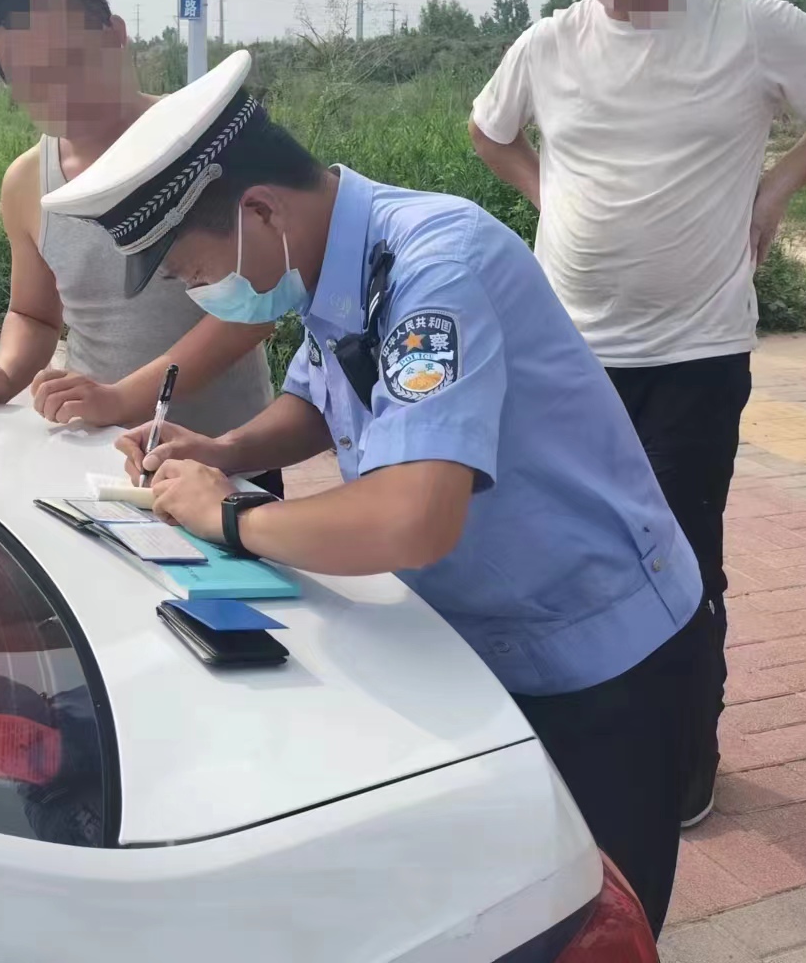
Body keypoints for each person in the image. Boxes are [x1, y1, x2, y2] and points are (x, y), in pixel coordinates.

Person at [42, 49, 703, 936]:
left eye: (193, 273)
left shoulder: (434, 266)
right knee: (505, 905)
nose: (202, 295)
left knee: (590, 920)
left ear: (260, 212)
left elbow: (412, 518)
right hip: (484, 636)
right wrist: (224, 448)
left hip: (599, 649)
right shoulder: (335, 260)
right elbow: (325, 397)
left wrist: (231, 514)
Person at [469, 0, 806, 828]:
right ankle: (580, 737)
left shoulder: (745, 26)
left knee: (676, 559)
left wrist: (777, 187)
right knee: (562, 550)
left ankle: (681, 758)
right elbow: (489, 130)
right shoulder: (550, 43)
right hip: (569, 354)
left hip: (694, 352)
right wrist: (546, 194)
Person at [0, 0, 280, 489]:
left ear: (114, 35)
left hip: (227, 465)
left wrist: (120, 399)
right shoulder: (28, 184)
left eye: (70, 60)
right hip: (95, 465)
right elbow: (33, 314)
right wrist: (4, 374)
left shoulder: (211, 139)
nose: (58, 92)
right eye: (30, 79)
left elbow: (255, 309)